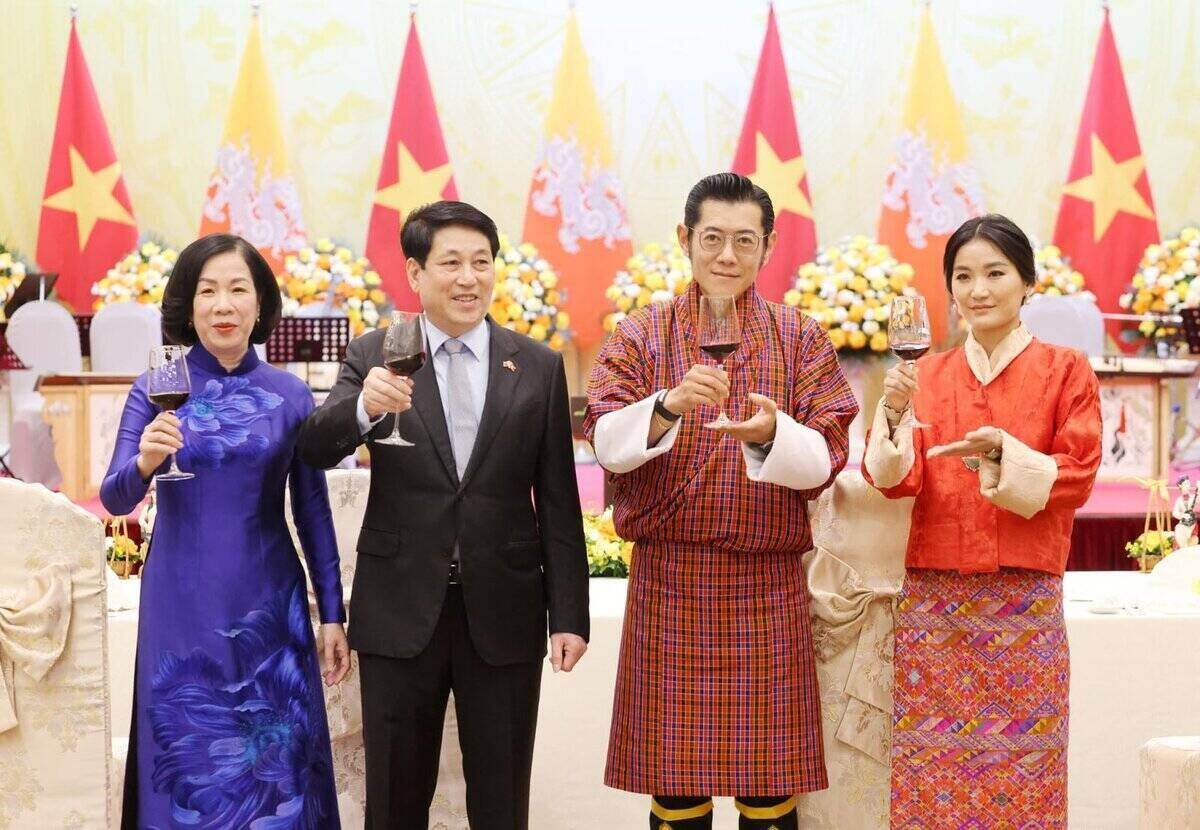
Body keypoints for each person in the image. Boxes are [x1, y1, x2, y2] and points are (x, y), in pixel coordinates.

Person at [297, 200, 590, 830]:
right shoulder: (375, 353)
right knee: (394, 804)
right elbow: (314, 447)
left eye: (481, 263)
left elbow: (559, 502)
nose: (468, 278)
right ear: (415, 272)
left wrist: (569, 615)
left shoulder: (537, 365)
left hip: (505, 610)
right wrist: (363, 408)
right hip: (399, 610)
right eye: (451, 263)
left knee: (501, 804)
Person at [584, 173, 858, 830]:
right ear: (685, 239)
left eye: (744, 240)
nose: (727, 256)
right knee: (677, 790)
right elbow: (605, 441)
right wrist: (668, 405)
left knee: (770, 788)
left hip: (767, 586)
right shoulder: (641, 333)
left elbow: (828, 455)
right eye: (713, 238)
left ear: (769, 246)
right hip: (670, 583)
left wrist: (771, 435)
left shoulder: (799, 336)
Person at [101, 233, 350, 829]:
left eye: (238, 289)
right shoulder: (155, 386)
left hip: (270, 599)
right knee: (188, 746)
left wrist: (332, 615)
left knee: (277, 756)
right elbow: (114, 496)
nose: (223, 305)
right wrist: (144, 462)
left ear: (260, 305)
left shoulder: (291, 395)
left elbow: (312, 510)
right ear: (188, 307)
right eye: (207, 291)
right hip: (179, 600)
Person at [863, 214, 1101, 828]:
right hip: (934, 609)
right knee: (930, 772)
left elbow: (1078, 474)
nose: (979, 290)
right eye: (963, 276)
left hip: (1024, 602)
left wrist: (1004, 455)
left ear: (1028, 282)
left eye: (996, 273)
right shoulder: (926, 375)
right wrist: (893, 413)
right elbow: (893, 480)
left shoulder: (1066, 369)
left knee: (1027, 770)